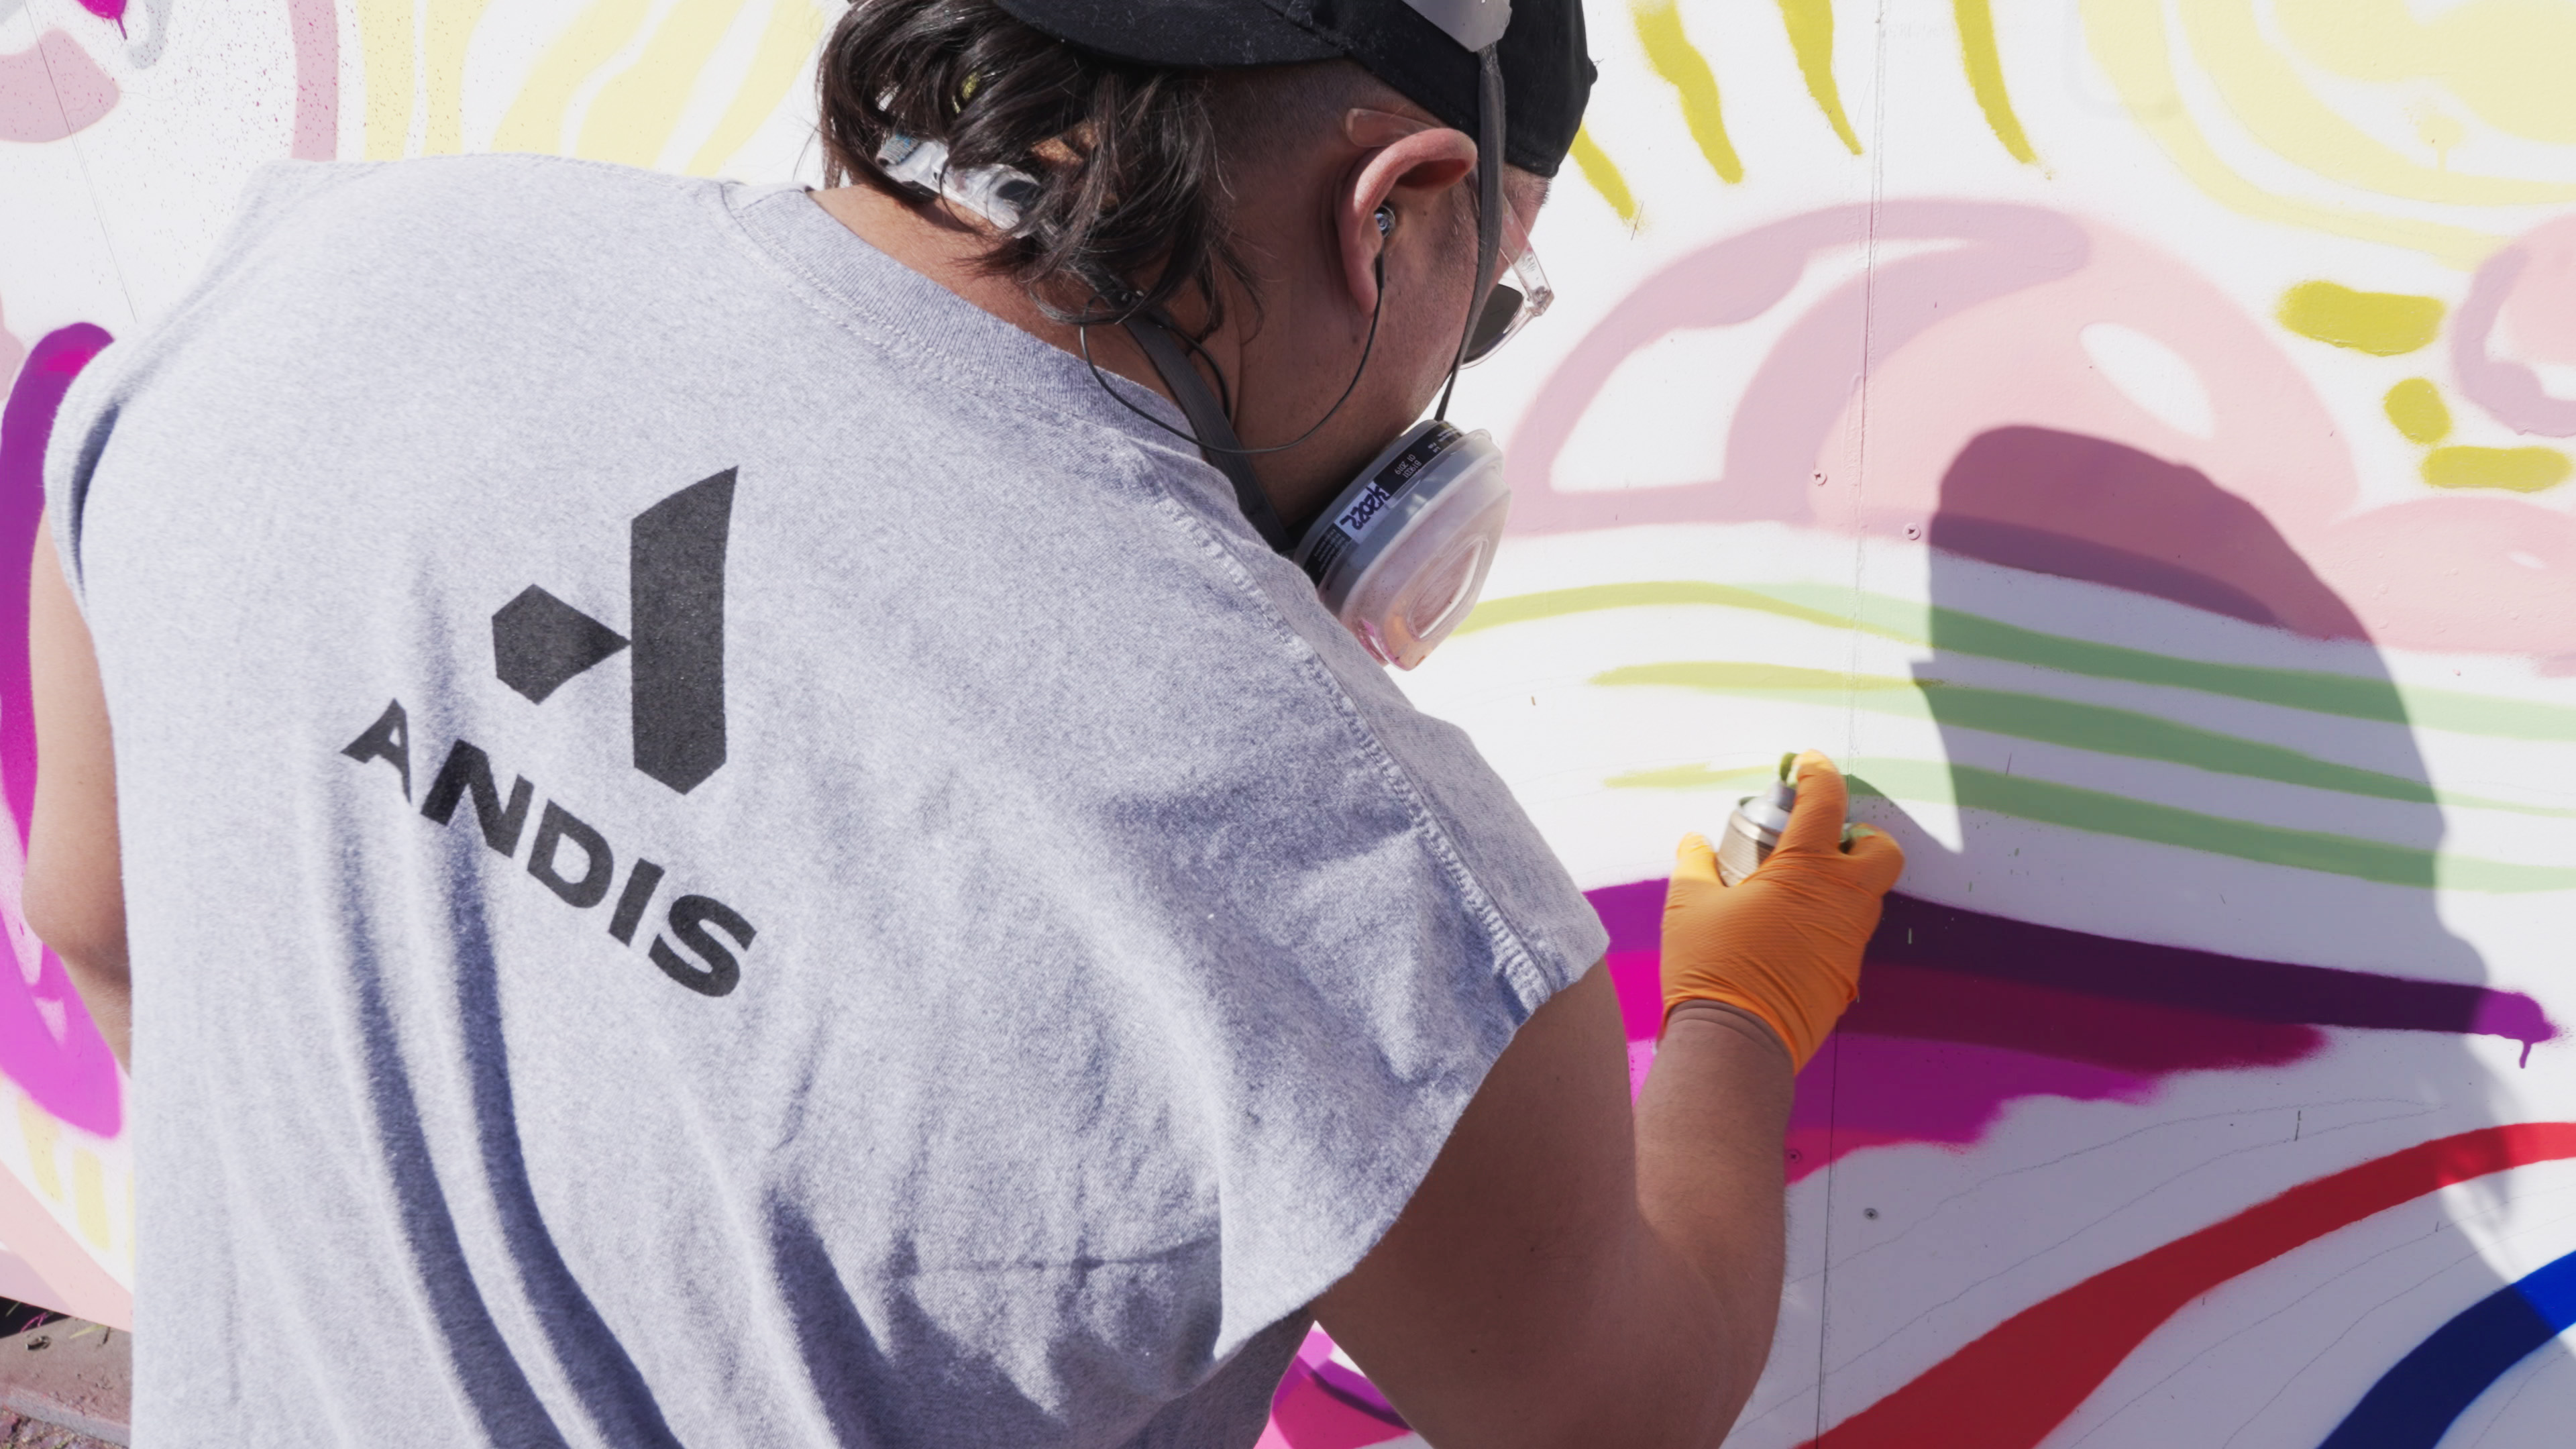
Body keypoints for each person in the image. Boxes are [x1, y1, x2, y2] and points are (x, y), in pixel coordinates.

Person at [23, 0, 1902, 1444]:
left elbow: (99, 922)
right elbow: (1611, 1402)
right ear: (1397, 216)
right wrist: (1744, 1018)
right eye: (1481, 311)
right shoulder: (1355, 860)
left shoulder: (314, 276)